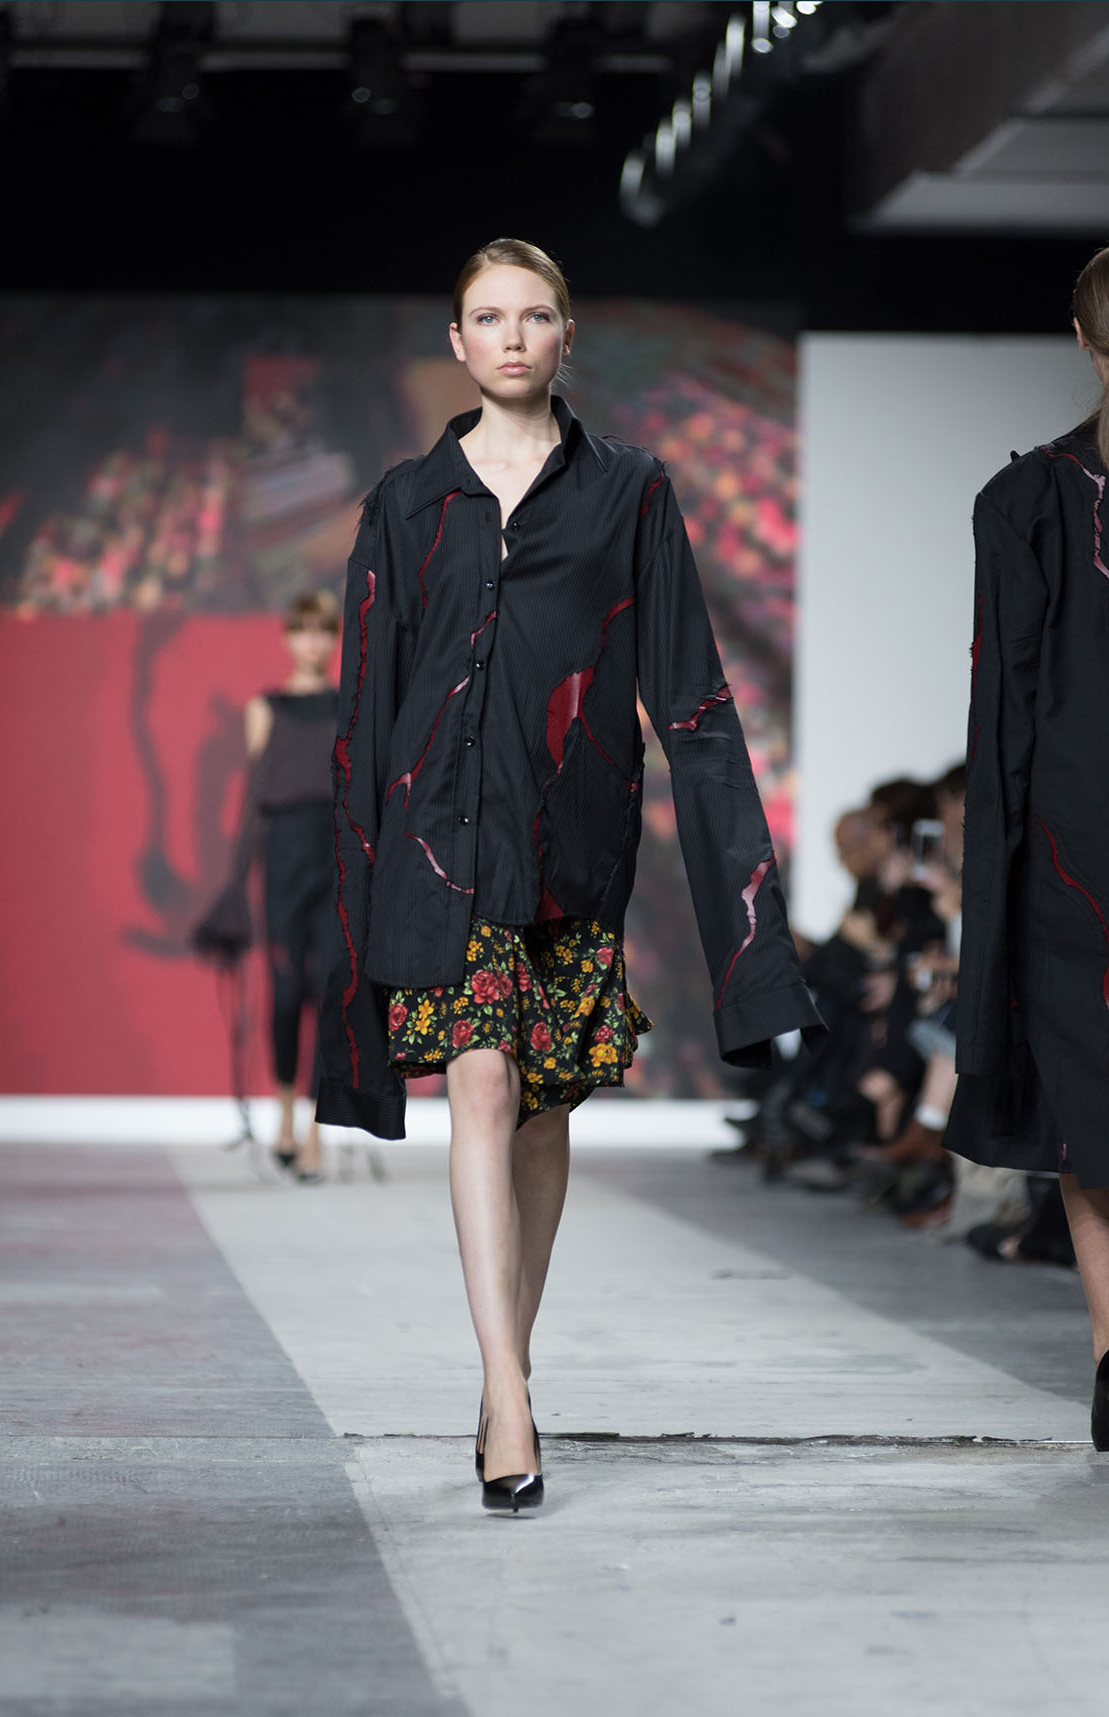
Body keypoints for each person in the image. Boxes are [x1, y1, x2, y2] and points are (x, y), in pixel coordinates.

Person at [316, 237, 823, 1511]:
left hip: (571, 844)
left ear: (564, 334)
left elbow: (690, 694)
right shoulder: (404, 503)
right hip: (438, 846)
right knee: (479, 1081)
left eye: (532, 316)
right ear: (456, 342)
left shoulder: (630, 492)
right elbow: (365, 707)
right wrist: (357, 901)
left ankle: (509, 1365)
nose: (510, 338)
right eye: (487, 318)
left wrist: (747, 923)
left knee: (540, 1108)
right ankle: (508, 1395)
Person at [945, 245, 1109, 1449]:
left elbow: (999, 714)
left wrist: (994, 885)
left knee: (1093, 1120)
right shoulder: (1027, 503)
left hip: (1066, 848)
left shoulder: (1025, 502)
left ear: (1079, 336)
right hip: (1070, 849)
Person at [194, 590, 340, 1181]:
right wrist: (235, 884)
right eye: (303, 630)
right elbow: (255, 798)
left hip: (336, 860)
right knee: (284, 991)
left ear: (333, 638)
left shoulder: (350, 704)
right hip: (282, 861)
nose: (313, 642)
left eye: (323, 630)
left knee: (329, 994)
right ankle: (283, 1114)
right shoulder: (266, 707)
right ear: (287, 638)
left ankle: (315, 1132)